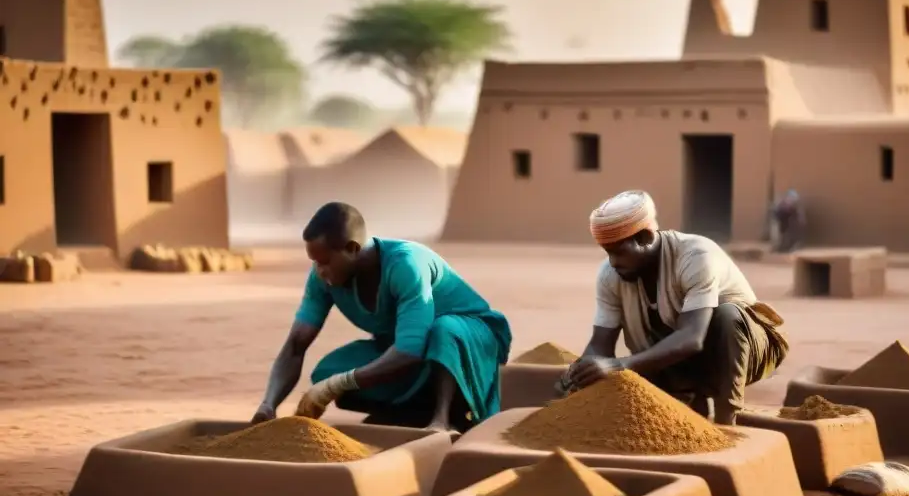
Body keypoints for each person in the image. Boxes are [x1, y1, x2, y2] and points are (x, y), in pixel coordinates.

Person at [251, 202, 512, 432]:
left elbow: (409, 350)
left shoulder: (406, 265)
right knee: (328, 370)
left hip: (469, 340)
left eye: (325, 261)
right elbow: (297, 343)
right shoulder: (324, 278)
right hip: (413, 349)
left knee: (444, 329)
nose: (319, 270)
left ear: (352, 248)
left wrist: (338, 385)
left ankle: (442, 419)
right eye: (315, 262)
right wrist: (268, 405)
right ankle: (410, 412)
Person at [560, 190, 789, 425]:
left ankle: (725, 420)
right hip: (687, 359)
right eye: (608, 253)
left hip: (749, 350)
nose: (613, 262)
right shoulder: (610, 275)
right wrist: (582, 372)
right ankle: (690, 405)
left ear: (646, 238)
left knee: (726, 315)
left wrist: (619, 365)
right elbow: (601, 342)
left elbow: (691, 338)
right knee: (651, 360)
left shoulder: (696, 255)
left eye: (619, 252)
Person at [769, 189, 806, 253]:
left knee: (788, 235)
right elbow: (775, 215)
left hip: (789, 225)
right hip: (781, 223)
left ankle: (787, 247)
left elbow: (800, 215)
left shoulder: (794, 207)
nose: (791, 200)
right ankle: (780, 247)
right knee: (780, 236)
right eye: (790, 198)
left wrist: (801, 220)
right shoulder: (781, 205)